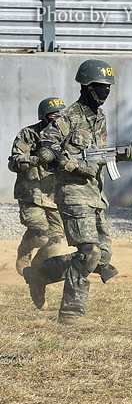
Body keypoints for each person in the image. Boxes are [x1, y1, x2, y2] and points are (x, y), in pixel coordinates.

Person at [23, 60, 132, 325]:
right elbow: (46, 147)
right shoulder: (67, 117)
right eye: (100, 86)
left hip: (94, 192)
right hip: (72, 192)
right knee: (90, 252)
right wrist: (66, 160)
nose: (105, 91)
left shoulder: (100, 118)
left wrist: (119, 154)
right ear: (86, 86)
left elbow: (98, 154)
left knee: (102, 256)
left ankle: (39, 274)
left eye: (108, 86)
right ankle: (71, 313)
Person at [8, 97, 66, 276]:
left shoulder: (67, 135)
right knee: (41, 235)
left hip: (55, 198)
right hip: (30, 195)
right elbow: (14, 163)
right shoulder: (28, 134)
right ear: (43, 116)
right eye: (52, 114)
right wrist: (36, 159)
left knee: (55, 242)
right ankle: (24, 250)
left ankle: (36, 272)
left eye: (60, 114)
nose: (56, 118)